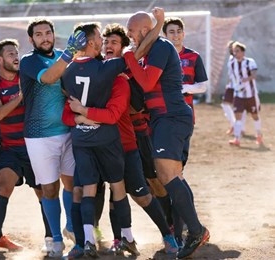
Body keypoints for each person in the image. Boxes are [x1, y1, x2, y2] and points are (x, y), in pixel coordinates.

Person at [62, 20, 178, 259]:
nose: (107, 45)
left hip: (125, 144)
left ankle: (167, 234)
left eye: (114, 42)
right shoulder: (93, 70)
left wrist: (83, 112)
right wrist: (79, 118)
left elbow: (115, 114)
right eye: (105, 42)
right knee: (89, 193)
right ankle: (90, 242)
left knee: (139, 194)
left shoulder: (120, 77)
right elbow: (68, 107)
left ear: (124, 48)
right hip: (96, 144)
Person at [124, 12, 210, 259]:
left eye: (131, 30)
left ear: (144, 30)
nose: (129, 35)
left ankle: (196, 231)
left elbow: (148, 83)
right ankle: (191, 230)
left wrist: (129, 57)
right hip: (163, 119)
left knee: (167, 174)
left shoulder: (160, 47)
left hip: (171, 116)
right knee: (174, 176)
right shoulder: (149, 50)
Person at [0, 39, 53, 255]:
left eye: (16, 52)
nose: (16, 56)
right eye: (10, 54)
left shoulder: (27, 78)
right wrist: (21, 96)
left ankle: (49, 238)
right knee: (2, 188)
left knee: (43, 193)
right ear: (0, 60)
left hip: (34, 147)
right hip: (10, 150)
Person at [19, 18, 86, 258]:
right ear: (31, 39)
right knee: (49, 188)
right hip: (39, 136)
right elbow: (48, 77)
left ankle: (71, 227)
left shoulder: (64, 55)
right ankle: (55, 239)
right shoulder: (28, 61)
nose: (45, 37)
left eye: (48, 33)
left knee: (72, 184)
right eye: (39, 34)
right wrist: (70, 54)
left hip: (68, 131)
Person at [162, 16, 208, 246]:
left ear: (183, 33)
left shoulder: (193, 56)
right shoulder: (159, 55)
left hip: (183, 120)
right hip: (160, 120)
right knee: (168, 174)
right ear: (164, 35)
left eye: (178, 31)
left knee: (176, 173)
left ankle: (180, 227)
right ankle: (179, 225)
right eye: (171, 32)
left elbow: (203, 85)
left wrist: (184, 88)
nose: (175, 35)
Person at [228, 41, 262, 146]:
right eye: (234, 51)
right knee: (237, 116)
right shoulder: (231, 63)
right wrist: (234, 86)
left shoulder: (249, 62)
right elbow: (231, 77)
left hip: (250, 95)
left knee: (255, 115)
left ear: (243, 52)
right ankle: (237, 138)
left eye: (237, 51)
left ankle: (259, 134)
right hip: (238, 95)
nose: (235, 53)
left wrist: (245, 80)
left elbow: (254, 75)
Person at [221, 40, 247, 135]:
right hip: (231, 86)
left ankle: (240, 127)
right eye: (230, 48)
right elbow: (231, 73)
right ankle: (234, 124)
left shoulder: (241, 59)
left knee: (241, 107)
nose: (231, 49)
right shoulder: (231, 58)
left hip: (240, 86)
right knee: (225, 104)